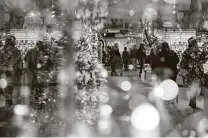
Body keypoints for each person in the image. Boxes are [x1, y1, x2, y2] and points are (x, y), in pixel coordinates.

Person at [180, 37, 206, 109]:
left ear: (189, 43)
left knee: (191, 87)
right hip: (198, 72)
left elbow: (182, 63)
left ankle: (192, 102)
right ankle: (193, 102)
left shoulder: (187, 51)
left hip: (190, 72)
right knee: (195, 87)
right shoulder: (199, 51)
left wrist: (184, 69)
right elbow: (204, 59)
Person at [0, 36, 22, 107]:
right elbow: (19, 62)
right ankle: (8, 101)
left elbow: (19, 61)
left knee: (7, 86)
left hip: (6, 71)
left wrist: (4, 68)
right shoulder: (15, 51)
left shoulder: (2, 51)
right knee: (9, 86)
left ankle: (8, 101)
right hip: (10, 71)